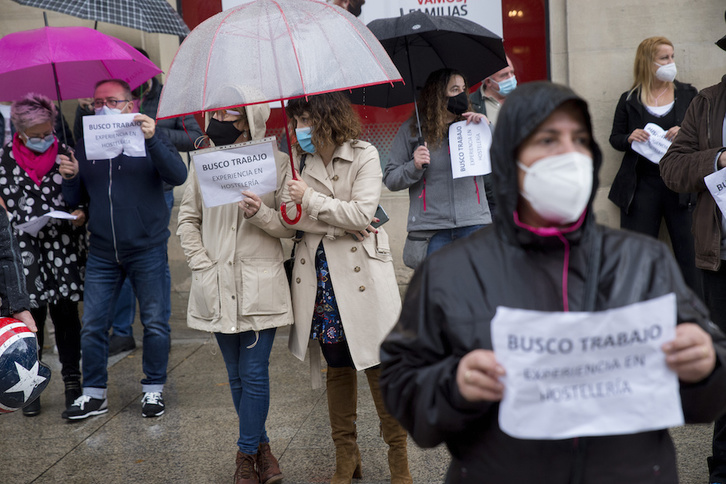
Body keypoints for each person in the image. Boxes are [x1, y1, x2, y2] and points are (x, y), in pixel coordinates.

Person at [380, 81, 726, 483]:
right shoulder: (451, 272)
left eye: (579, 139)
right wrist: (453, 385)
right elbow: (403, 387)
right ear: (512, 157)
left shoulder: (641, 260)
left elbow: (707, 392)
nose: (569, 153)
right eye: (547, 139)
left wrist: (706, 365)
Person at [259, 92, 412, 483]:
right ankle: (347, 457)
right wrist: (260, 213)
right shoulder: (299, 163)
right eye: (296, 122)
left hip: (363, 280)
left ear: (328, 118)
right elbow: (290, 223)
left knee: (379, 364)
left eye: (306, 120)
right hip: (320, 280)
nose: (299, 130)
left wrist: (310, 200)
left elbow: (362, 213)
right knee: (338, 364)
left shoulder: (364, 155)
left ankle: (399, 461)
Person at [177, 99, 292, 484]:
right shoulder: (203, 163)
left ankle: (244, 455)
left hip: (261, 285)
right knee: (236, 375)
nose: (217, 120)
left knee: (255, 372)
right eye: (216, 113)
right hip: (217, 284)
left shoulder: (277, 163)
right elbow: (188, 221)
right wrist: (202, 265)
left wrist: (260, 212)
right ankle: (263, 449)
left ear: (250, 122)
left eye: (228, 114)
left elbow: (291, 228)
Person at [59, 79, 187, 420]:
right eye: (97, 102)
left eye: (112, 101)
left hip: (147, 247)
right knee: (94, 325)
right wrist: (71, 178)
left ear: (130, 105)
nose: (103, 107)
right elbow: (77, 201)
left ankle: (153, 390)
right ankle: (94, 394)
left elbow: (178, 174)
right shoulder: (85, 146)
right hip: (102, 250)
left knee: (155, 323)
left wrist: (154, 138)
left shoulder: (149, 136)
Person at [105, 47, 205, 357]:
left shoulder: (169, 98)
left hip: (157, 186)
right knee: (118, 258)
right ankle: (121, 332)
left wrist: (153, 132)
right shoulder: (109, 99)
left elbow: (194, 138)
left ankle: (158, 326)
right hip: (120, 190)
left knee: (155, 259)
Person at [660, 22, 726, 484]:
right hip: (721, 257)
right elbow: (672, 168)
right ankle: (722, 465)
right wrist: (718, 160)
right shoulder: (706, 103)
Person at [0, 93, 87, 417]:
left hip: (60, 248)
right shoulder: (3, 160)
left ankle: (72, 382)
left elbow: (81, 202)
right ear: (20, 131)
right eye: (35, 135)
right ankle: (30, 386)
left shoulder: (66, 154)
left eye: (47, 132)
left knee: (66, 319)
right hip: (23, 254)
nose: (43, 139)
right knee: (30, 321)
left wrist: (75, 185)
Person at [609, 36, 699, 292]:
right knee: (637, 256)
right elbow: (615, 138)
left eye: (672, 57)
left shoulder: (688, 94)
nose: (671, 63)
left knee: (689, 257)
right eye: (664, 58)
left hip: (681, 188)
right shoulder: (630, 99)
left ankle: (695, 317)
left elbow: (704, 136)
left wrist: (684, 132)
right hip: (641, 187)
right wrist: (629, 137)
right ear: (648, 62)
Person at [383, 68, 492, 269]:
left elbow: (506, 160)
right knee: (437, 294)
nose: (461, 94)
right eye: (454, 89)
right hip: (431, 231)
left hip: (474, 224)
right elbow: (390, 179)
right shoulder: (412, 130)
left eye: (463, 89)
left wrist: (488, 130)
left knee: (476, 293)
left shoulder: (475, 125)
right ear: (437, 95)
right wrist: (413, 166)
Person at [469, 55, 517, 127]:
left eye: (512, 72)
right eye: (504, 75)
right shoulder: (470, 103)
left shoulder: (524, 99)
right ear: (488, 82)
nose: (511, 78)